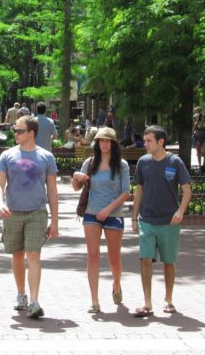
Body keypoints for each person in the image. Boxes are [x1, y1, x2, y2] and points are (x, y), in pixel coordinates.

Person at [0, 115, 59, 319]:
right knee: (17, 254)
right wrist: (0, 202)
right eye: (15, 130)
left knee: (33, 255)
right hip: (13, 211)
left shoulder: (46, 157)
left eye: (20, 130)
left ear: (31, 133)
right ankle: (21, 294)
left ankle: (34, 301)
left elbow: (53, 190)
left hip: (37, 212)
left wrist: (55, 220)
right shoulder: (7, 155)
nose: (16, 133)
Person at [131, 125, 192, 317]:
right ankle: (147, 302)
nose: (145, 144)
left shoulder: (175, 162)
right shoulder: (143, 162)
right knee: (145, 259)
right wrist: (134, 217)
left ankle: (169, 300)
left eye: (149, 141)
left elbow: (187, 189)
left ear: (161, 142)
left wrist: (180, 211)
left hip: (169, 222)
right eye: (145, 140)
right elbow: (138, 190)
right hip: (147, 220)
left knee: (168, 262)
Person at [71, 127, 130, 313]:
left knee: (114, 258)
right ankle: (94, 300)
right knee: (93, 255)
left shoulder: (121, 165)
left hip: (113, 214)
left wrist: (109, 208)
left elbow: (126, 192)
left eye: (108, 141)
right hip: (91, 213)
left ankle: (117, 284)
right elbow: (76, 187)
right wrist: (76, 177)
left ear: (113, 143)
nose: (104, 144)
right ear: (97, 143)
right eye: (101, 141)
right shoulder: (90, 162)